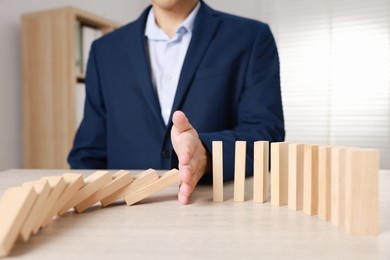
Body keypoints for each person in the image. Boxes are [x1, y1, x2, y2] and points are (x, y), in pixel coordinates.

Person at [68, 0, 285, 204]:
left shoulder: (251, 37)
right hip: (121, 217)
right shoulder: (104, 50)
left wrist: (205, 153)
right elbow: (88, 153)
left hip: (213, 213)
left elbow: (266, 135)